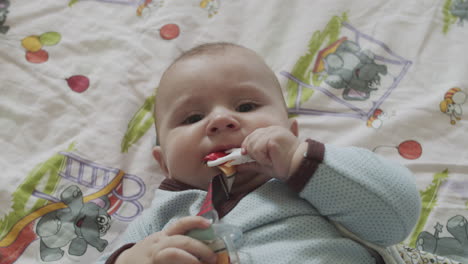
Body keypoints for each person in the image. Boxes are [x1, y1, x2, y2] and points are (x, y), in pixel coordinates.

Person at [98, 42, 421, 264]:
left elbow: (396, 218)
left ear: (291, 133)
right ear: (164, 161)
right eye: (193, 118)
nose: (221, 120)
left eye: (246, 106)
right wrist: (132, 257)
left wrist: (300, 161)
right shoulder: (162, 217)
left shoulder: (314, 182)